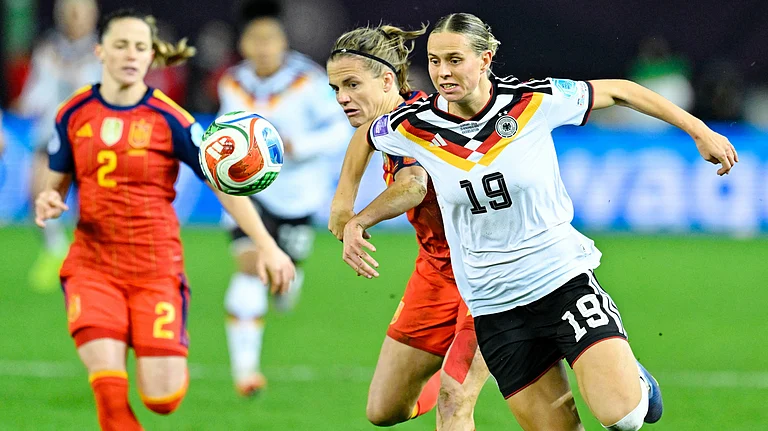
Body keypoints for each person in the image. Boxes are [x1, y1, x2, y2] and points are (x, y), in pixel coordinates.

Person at [337, 13, 738, 431]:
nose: (442, 72)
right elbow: (367, 133)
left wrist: (698, 130)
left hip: (560, 282)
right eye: (435, 61)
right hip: (494, 309)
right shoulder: (414, 125)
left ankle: (635, 378)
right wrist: (345, 209)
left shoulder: (532, 101)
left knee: (626, 419)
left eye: (455, 59)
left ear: (485, 59)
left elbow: (622, 91)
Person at [34, 9, 294, 431]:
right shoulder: (73, 113)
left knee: (163, 401)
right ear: (101, 51)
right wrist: (49, 197)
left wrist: (266, 245)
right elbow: (57, 176)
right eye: (121, 45)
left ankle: (137, 331)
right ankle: (113, 333)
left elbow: (221, 185)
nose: (130, 54)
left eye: (141, 47)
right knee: (111, 395)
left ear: (152, 56)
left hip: (155, 268)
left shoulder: (170, 118)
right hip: (92, 265)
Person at [327, 25, 489, 429]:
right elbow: (366, 136)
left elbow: (412, 186)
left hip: (489, 272)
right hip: (435, 273)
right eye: (335, 88)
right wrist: (342, 199)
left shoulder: (418, 122)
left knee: (455, 401)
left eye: (351, 84)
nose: (342, 98)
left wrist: (359, 219)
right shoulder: (382, 126)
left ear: (386, 80)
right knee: (384, 410)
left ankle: (606, 361)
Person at [216, 0, 352, 397]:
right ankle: (245, 372)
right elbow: (226, 126)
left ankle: (286, 287)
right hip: (248, 193)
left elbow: (341, 130)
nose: (262, 46)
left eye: (270, 38)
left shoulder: (309, 81)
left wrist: (297, 146)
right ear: (243, 43)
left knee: (281, 283)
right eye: (255, 39)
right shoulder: (232, 82)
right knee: (249, 266)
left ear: (282, 41)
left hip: (297, 196)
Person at [14, 0, 102, 292]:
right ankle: (55, 248)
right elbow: (35, 91)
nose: (75, 17)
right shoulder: (47, 51)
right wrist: (26, 104)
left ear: (93, 15)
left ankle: (89, 260)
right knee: (37, 191)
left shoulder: (105, 52)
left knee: (94, 205)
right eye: (70, 11)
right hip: (51, 133)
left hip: (92, 137)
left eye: (81, 11)